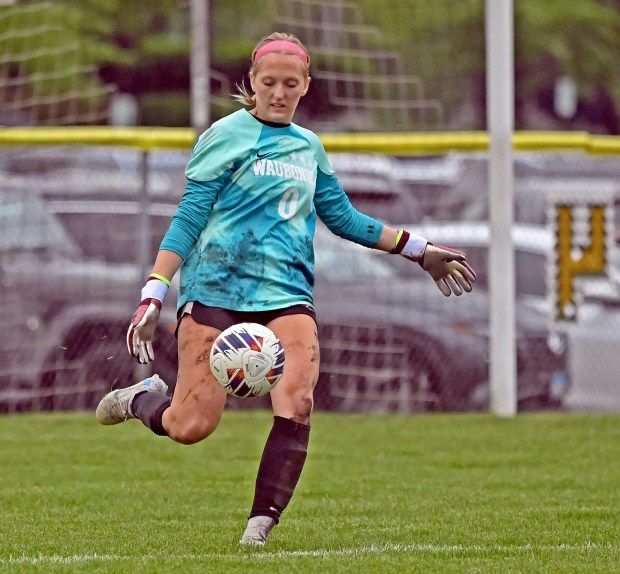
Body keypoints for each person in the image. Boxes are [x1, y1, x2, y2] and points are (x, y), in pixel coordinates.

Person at [95, 31, 476, 546]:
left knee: (297, 399)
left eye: (289, 84)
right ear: (251, 83)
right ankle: (144, 398)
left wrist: (418, 250)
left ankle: (261, 525)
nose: (278, 92)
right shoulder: (224, 136)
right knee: (190, 426)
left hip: (286, 294)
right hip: (216, 287)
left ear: (305, 87)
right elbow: (188, 218)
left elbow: (342, 218)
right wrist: (153, 292)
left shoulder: (308, 147)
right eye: (268, 82)